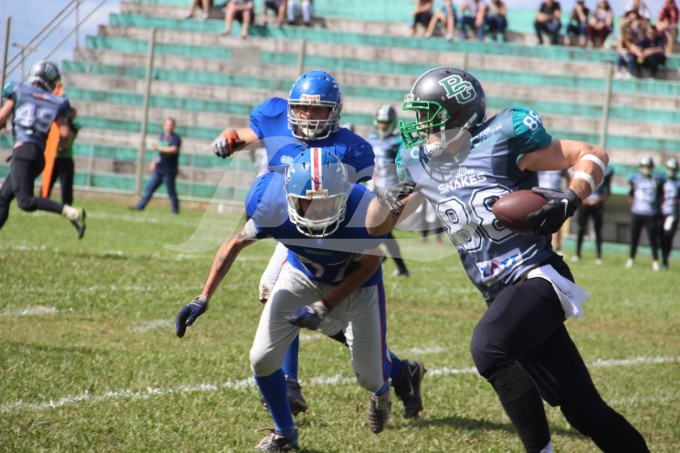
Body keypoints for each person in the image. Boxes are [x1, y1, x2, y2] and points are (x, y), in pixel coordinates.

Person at [365, 66, 649, 452]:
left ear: (457, 115)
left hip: (537, 276)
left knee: (488, 346)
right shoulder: (419, 162)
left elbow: (591, 154)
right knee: (584, 410)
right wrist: (384, 200)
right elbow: (374, 228)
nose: (419, 126)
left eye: (427, 115)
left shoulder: (502, 138)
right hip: (499, 295)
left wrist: (572, 196)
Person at [176, 148, 425, 450]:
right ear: (291, 195)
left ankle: (381, 390)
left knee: (369, 376)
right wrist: (203, 297)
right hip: (301, 275)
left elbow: (369, 266)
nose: (318, 211)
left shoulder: (363, 212)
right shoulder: (273, 206)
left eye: (328, 202)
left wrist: (325, 306)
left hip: (356, 285)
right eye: (309, 202)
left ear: (343, 196)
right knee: (262, 358)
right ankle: (285, 433)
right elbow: (235, 242)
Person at [209, 70, 424, 418]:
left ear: (334, 111)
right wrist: (226, 140)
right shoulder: (276, 116)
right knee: (275, 292)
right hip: (286, 219)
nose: (308, 117)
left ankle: (396, 371)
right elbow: (241, 135)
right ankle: (292, 380)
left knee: (321, 313)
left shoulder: (352, 148)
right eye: (303, 109)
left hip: (327, 227)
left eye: (318, 110)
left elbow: (358, 204)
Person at [0, 61, 86, 238]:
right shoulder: (57, 101)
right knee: (3, 198)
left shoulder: (18, 90)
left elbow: (2, 118)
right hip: (39, 156)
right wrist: (63, 147)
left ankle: (70, 212)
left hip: (22, 152)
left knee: (25, 202)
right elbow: (65, 133)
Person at [365, 104, 410, 277]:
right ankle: (396, 265)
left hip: (391, 189)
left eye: (386, 122)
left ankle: (381, 258)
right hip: (374, 188)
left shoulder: (398, 141)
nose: (383, 125)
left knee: (382, 227)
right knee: (380, 228)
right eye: (381, 122)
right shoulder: (371, 138)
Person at [132, 117, 181, 214]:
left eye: (171, 125)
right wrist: (153, 162)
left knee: (171, 192)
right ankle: (139, 207)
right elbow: (158, 153)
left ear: (173, 126)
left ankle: (175, 211)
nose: (169, 127)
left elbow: (173, 149)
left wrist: (160, 147)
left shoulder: (176, 138)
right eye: (167, 124)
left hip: (169, 170)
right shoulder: (162, 136)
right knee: (149, 189)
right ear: (164, 126)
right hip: (159, 169)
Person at [626, 156, 664, 271]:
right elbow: (631, 194)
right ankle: (631, 258)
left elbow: (661, 196)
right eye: (644, 166)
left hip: (651, 213)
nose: (646, 169)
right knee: (634, 237)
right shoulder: (635, 178)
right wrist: (634, 206)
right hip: (637, 212)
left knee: (653, 238)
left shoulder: (656, 179)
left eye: (648, 166)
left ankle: (655, 260)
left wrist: (657, 207)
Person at [573, 164, 614, 264]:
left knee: (598, 229)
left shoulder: (605, 174)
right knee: (581, 228)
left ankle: (599, 256)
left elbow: (608, 192)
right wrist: (584, 200)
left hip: (597, 204)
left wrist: (598, 200)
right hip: (584, 203)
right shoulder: (584, 171)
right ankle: (577, 254)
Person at [46, 107, 79, 206]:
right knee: (48, 181)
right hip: (55, 157)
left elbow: (69, 133)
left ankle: (67, 204)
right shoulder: (56, 124)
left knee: (66, 184)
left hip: (67, 158)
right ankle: (43, 200)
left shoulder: (73, 126)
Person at [537, 169, 570, 254]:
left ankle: (557, 247)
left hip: (556, 195)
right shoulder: (539, 162)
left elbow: (569, 179)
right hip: (540, 195)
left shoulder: (561, 165)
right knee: (538, 221)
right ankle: (539, 245)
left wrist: (568, 195)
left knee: (556, 222)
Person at [660, 158, 679, 269]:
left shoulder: (678, 183)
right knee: (660, 237)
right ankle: (660, 259)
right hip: (660, 213)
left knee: (668, 237)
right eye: (670, 168)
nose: (671, 171)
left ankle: (665, 260)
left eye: (673, 169)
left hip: (672, 214)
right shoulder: (662, 181)